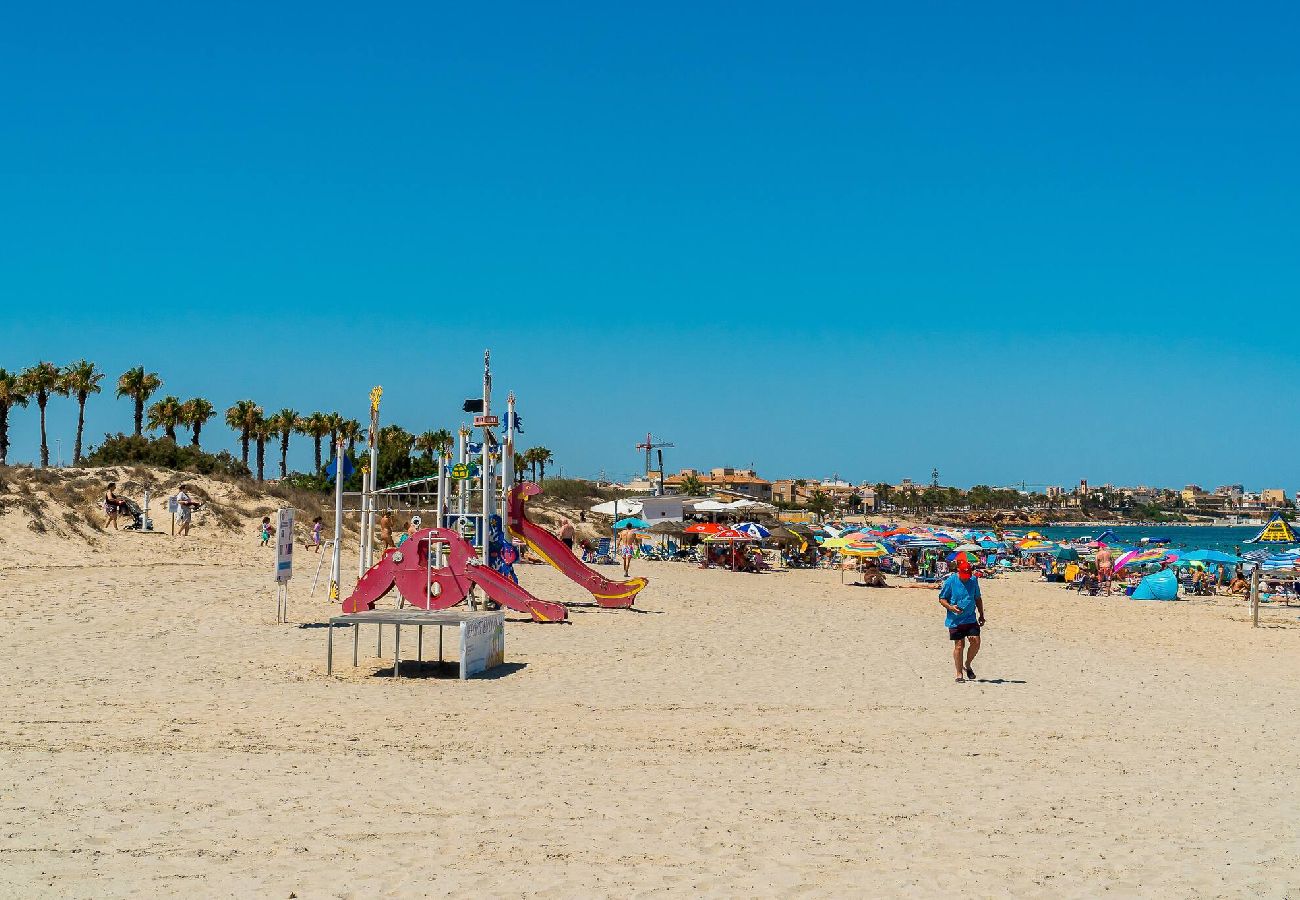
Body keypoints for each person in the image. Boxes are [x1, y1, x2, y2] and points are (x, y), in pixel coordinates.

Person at [938, 560, 985, 683]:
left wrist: (981, 615)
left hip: (970, 618)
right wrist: (950, 607)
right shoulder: (950, 581)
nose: (966, 578)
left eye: (967, 576)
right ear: (958, 571)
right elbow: (942, 599)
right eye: (964, 576)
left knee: (976, 642)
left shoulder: (973, 580)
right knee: (959, 646)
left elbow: (978, 598)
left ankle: (967, 664)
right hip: (955, 620)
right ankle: (959, 673)